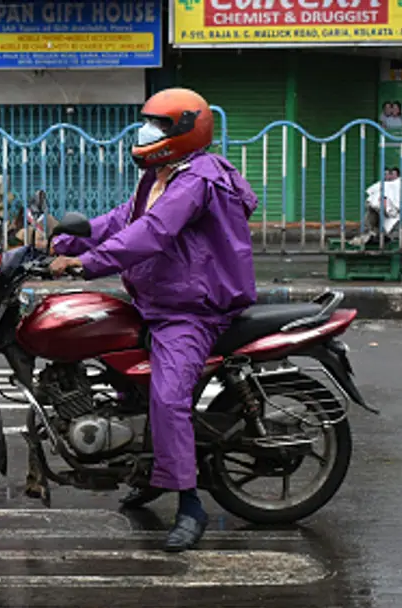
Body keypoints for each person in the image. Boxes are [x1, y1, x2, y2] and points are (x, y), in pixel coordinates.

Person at [47, 88, 258, 552]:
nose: (148, 133)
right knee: (117, 375)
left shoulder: (197, 180)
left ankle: (189, 503)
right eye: (149, 124)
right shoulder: (162, 174)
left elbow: (154, 231)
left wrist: (89, 263)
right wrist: (61, 243)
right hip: (156, 300)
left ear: (185, 131)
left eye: (160, 126)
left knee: (167, 397)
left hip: (193, 309)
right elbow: (126, 218)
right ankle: (147, 470)